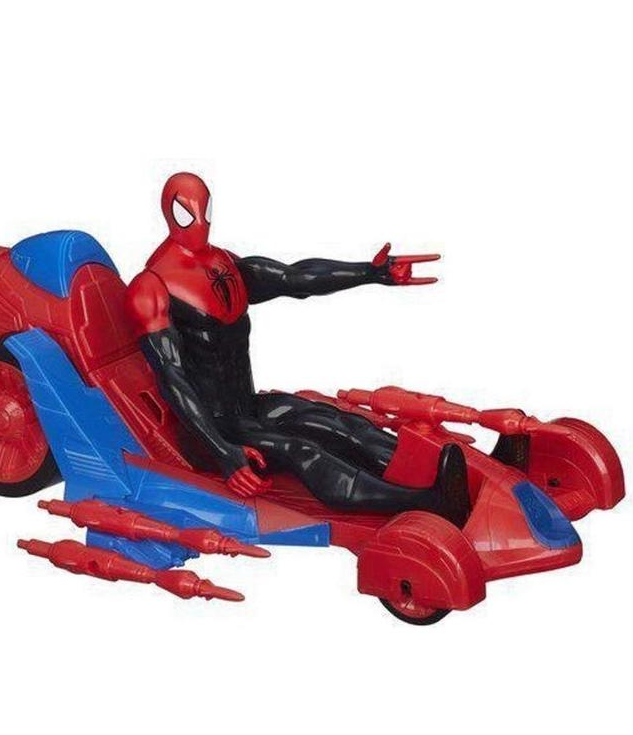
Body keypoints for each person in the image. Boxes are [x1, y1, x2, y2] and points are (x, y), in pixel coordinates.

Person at [125, 172, 470, 526]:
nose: (200, 222)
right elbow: (173, 379)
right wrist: (223, 452)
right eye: (188, 213)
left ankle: (448, 473)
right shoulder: (151, 287)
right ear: (171, 213)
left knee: (339, 423)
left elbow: (295, 278)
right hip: (210, 433)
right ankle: (427, 503)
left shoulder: (223, 263)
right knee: (302, 450)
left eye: (204, 210)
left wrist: (370, 272)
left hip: (247, 407)